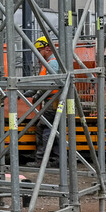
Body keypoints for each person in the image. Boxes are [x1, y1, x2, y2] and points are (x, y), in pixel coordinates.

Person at [34, 36, 62, 168]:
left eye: (39, 51)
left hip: (53, 101)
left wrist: (38, 93)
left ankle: (41, 160)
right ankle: (55, 159)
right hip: (52, 101)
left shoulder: (52, 63)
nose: (38, 54)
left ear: (46, 48)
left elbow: (50, 83)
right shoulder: (49, 63)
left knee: (43, 128)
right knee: (51, 129)